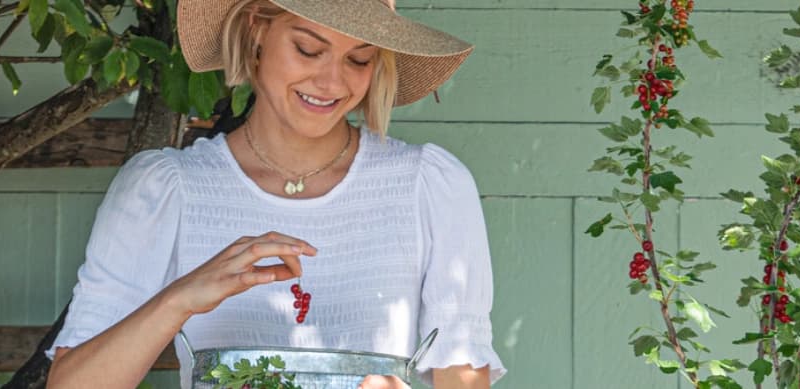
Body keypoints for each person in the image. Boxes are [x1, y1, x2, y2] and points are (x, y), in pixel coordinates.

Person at [45, 0, 504, 387]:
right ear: (257, 30)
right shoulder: (167, 188)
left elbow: (463, 377)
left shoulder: (428, 185)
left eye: (359, 59)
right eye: (308, 50)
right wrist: (180, 298)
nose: (332, 83)